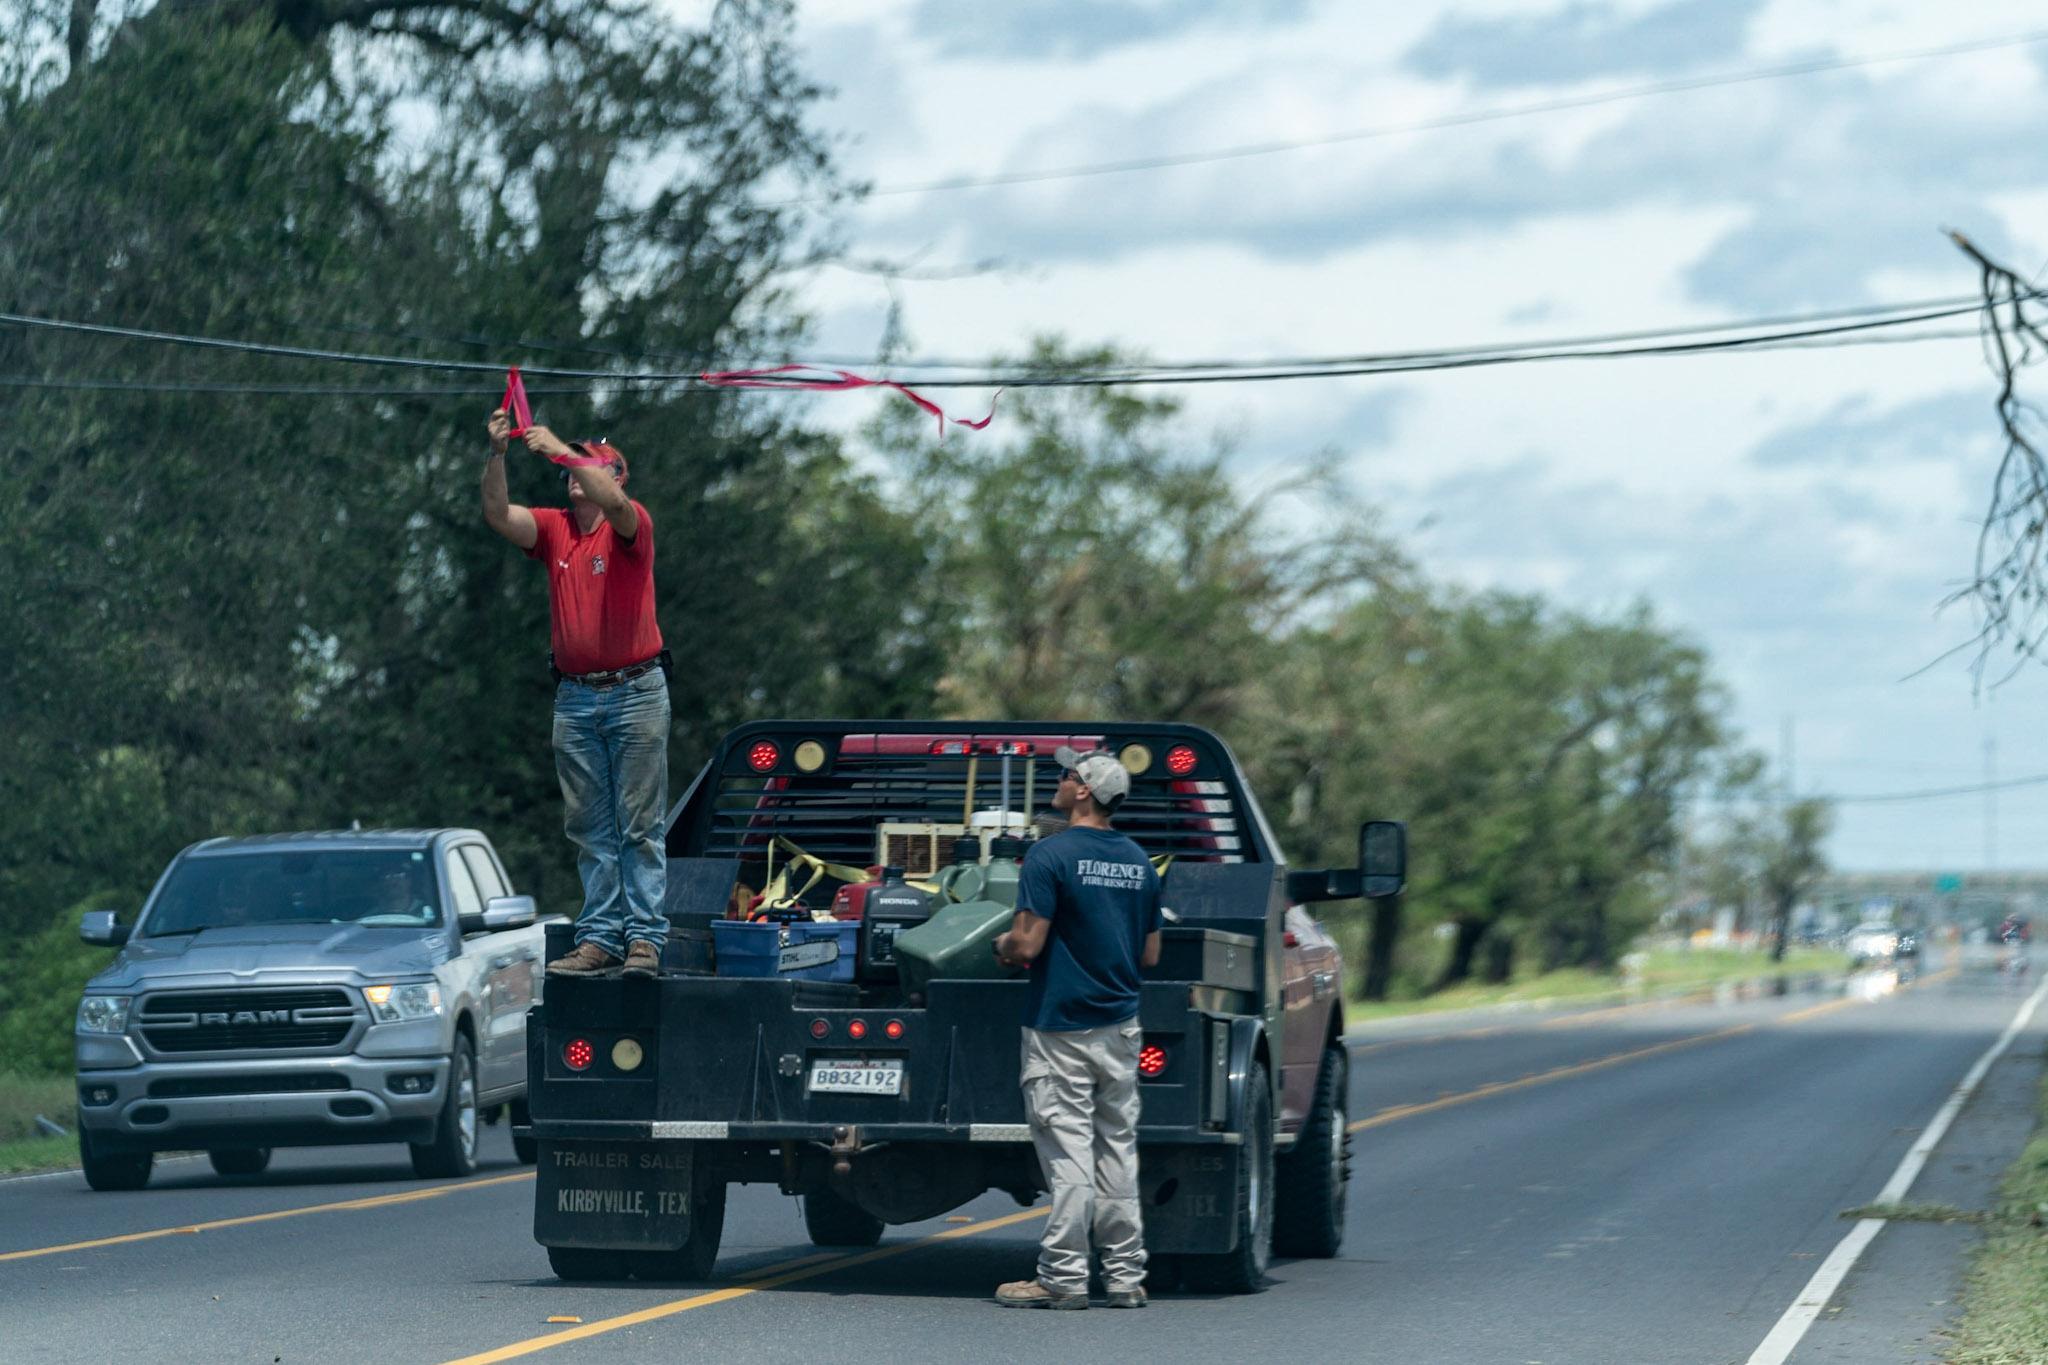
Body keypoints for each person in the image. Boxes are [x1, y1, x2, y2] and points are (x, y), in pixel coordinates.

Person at [483, 409, 671, 978]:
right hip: (575, 696)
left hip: (636, 689)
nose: (574, 472)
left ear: (616, 476)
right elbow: (496, 513)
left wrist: (563, 451)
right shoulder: (555, 527)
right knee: (589, 825)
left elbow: (612, 504)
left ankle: (644, 939)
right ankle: (601, 937)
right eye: (574, 463)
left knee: (638, 823)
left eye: (591, 463)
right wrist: (496, 455)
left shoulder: (628, 522)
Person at [991, 746, 1162, 1310]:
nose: (1060, 782)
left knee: (1068, 1154)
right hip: (1120, 1025)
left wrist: (1003, 945)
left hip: (1059, 1026)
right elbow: (1151, 954)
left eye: (1067, 776)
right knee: (1117, 1150)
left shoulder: (1050, 855)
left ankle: (1063, 1278)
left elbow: (1028, 944)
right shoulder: (1139, 861)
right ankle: (1124, 1277)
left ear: (1083, 790)